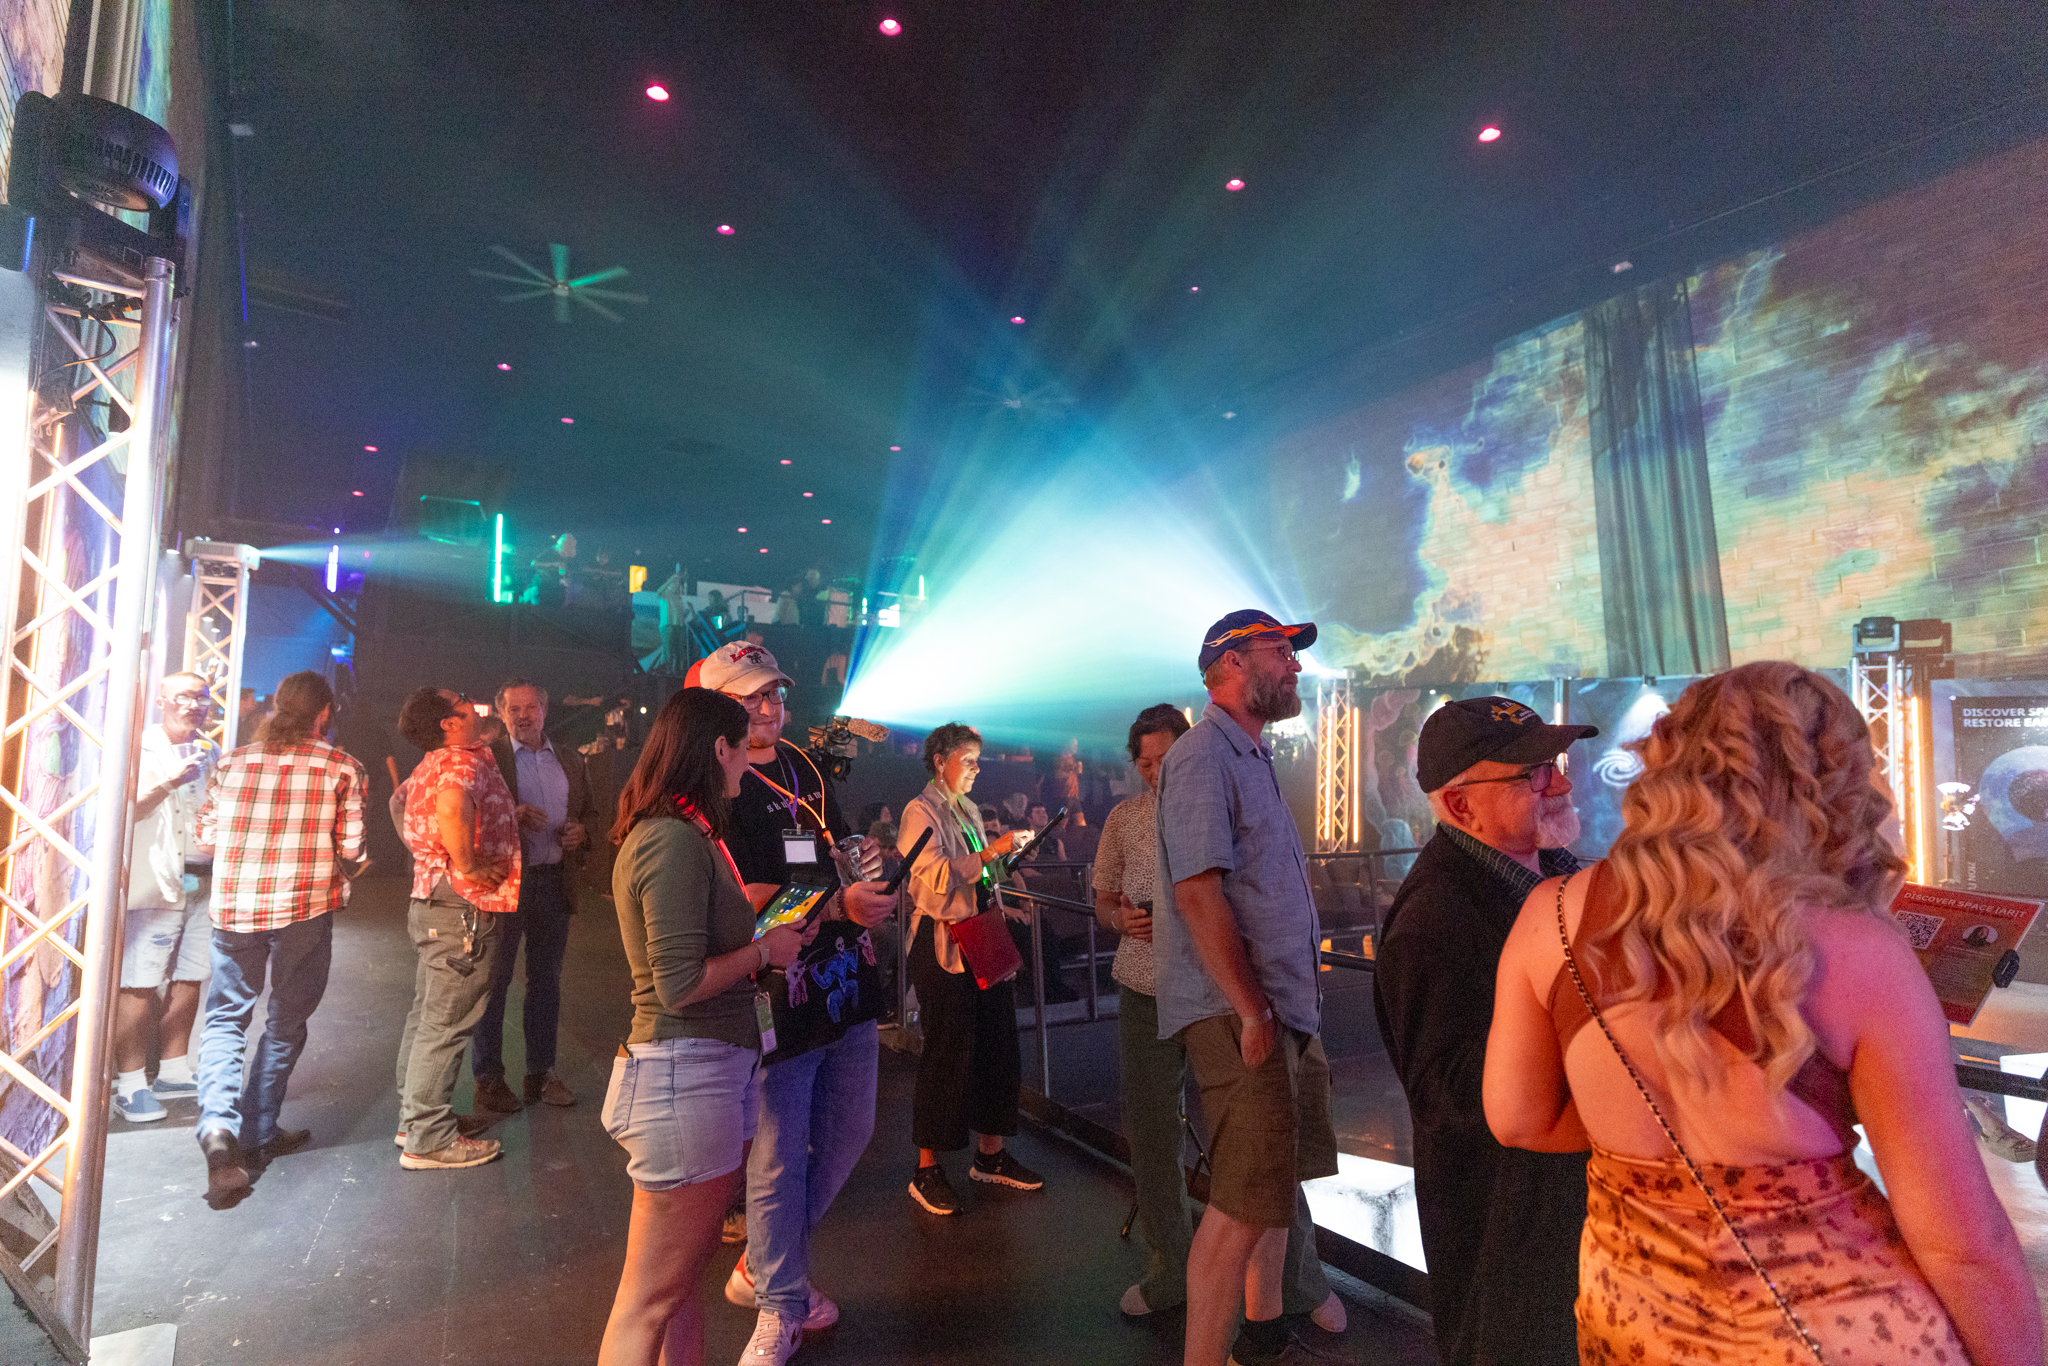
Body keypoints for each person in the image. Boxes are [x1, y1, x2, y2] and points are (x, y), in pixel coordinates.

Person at [1485, 662, 2040, 1365]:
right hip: (1838, 1333)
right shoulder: (1857, 949)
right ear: (1826, 782)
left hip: (1630, 1322)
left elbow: (1519, 1118)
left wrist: (1666, 1156)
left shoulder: (1552, 916)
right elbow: (1963, 1245)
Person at [1101, 702, 1347, 1332]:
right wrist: (1119, 918)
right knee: (1154, 1137)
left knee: (1266, 1142)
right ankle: (1170, 1274)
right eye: (1145, 762)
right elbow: (1105, 898)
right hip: (1148, 987)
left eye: (1165, 757)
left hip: (1219, 995)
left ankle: (1298, 1282)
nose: (1156, 770)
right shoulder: (1124, 820)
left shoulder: (1222, 790)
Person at [1372, 696, 1597, 1366]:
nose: (1561, 784)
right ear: (1461, 805)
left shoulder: (1558, 871)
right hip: (1509, 1232)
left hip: (1570, 1213)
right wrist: (1599, 1063)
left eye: (1555, 764)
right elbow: (1446, 1095)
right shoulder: (1433, 919)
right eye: (1533, 775)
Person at [698, 640, 898, 1363]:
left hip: (844, 980)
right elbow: (743, 907)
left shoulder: (803, 767)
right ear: (718, 710)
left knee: (851, 1130)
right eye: (751, 697)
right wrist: (841, 903)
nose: (769, 708)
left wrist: (865, 863)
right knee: (779, 1155)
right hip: (777, 992)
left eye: (775, 693)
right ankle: (779, 1303)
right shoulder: (717, 788)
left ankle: (765, 1265)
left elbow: (832, 846)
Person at [597, 688, 806, 1366]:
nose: (750, 761)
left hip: (695, 1073)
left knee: (677, 1284)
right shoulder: (671, 839)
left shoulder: (683, 833)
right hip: (684, 1076)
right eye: (744, 747)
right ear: (719, 748)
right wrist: (764, 952)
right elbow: (679, 983)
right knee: (648, 1299)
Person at [1153, 611, 1341, 1366]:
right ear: (1231, 662)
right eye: (1280, 651)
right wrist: (1253, 1009)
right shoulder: (1203, 755)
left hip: (1277, 1009)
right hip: (1241, 1014)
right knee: (1236, 1205)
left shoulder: (1250, 753)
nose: (1294, 665)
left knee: (1270, 1186)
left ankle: (1263, 1337)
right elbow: (1198, 894)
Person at [192, 671, 366, 1207]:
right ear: (324, 713)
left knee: (226, 1019)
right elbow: (353, 848)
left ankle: (218, 1130)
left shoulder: (231, 762)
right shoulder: (342, 766)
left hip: (235, 908)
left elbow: (205, 838)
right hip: (303, 909)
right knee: (285, 1023)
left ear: (276, 705)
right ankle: (259, 1132)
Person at [899, 722, 1046, 1216]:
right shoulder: (919, 812)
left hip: (981, 933)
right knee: (948, 1051)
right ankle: (927, 1168)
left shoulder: (967, 810)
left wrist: (1006, 858)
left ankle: (990, 1155)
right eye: (969, 760)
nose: (977, 769)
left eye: (978, 760)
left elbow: (983, 872)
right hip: (942, 942)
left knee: (997, 1045)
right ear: (940, 762)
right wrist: (991, 852)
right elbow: (937, 875)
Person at [394, 686, 522, 1171]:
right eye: (462, 700)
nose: (472, 704)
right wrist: (465, 865)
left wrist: (430, 858)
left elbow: (398, 804)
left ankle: (417, 1120)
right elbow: (451, 807)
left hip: (434, 901)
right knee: (446, 1023)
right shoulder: (460, 762)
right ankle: (427, 1138)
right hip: (460, 908)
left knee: (427, 1015)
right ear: (449, 723)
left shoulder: (432, 762)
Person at [468, 678, 600, 1113]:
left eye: (531, 708)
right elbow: (466, 816)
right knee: (495, 982)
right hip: (506, 885)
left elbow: (590, 812)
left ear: (545, 712)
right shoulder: (488, 759)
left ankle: (541, 1074)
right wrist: (512, 815)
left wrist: (583, 831)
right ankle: (488, 1079)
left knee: (546, 983)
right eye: (515, 709)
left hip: (554, 882)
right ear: (502, 714)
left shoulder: (570, 759)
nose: (524, 716)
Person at [113, 673, 218, 1123]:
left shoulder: (210, 750)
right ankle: (130, 1082)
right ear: (161, 701)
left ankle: (173, 1068)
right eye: (183, 697)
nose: (193, 705)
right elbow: (123, 810)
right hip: (155, 883)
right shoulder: (137, 748)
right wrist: (170, 782)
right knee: (138, 981)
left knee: (192, 974)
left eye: (201, 698)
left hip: (202, 881)